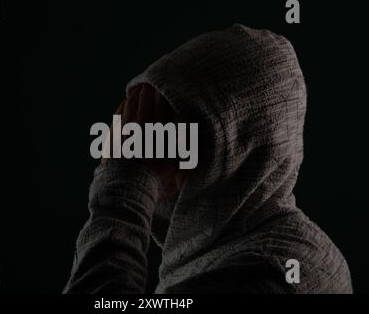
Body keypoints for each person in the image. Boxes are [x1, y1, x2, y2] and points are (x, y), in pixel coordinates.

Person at [64, 24, 352, 294]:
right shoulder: (254, 247)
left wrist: (121, 192)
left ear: (237, 153)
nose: (137, 149)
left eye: (166, 132)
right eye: (135, 122)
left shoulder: (268, 274)